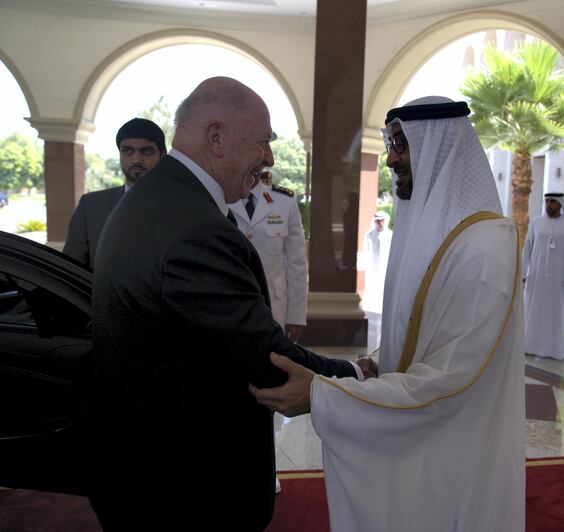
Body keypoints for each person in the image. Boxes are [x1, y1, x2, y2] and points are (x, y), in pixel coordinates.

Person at [87, 77, 360, 532]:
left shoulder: (155, 199)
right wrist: (356, 376)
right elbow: (271, 362)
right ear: (216, 137)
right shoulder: (194, 227)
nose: (270, 158)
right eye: (264, 142)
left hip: (145, 470)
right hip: (184, 491)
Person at [250, 96, 525, 532]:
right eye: (391, 143)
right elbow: (420, 328)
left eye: (401, 144)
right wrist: (373, 365)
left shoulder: (485, 245)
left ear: (440, 149)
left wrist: (326, 397)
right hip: (418, 433)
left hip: (456, 447)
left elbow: (451, 379)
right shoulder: (431, 231)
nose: (392, 157)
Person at [62, 118, 166, 269]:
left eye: (146, 151)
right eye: (128, 151)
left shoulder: (182, 207)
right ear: (120, 154)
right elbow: (71, 271)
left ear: (162, 155)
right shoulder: (90, 207)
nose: (136, 159)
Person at [230, 170, 308, 341]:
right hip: (231, 307)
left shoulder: (284, 201)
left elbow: (297, 263)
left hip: (274, 308)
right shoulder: (222, 198)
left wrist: (295, 315)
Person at [521, 191, 564, 359]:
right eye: (547, 201)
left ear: (560, 204)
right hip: (536, 277)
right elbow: (527, 250)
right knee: (533, 309)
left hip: (558, 279)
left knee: (555, 312)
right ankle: (529, 346)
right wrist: (524, 272)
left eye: (553, 202)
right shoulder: (536, 223)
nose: (549, 205)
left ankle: (553, 350)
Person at [358, 210, 392, 314]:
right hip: (372, 266)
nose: (380, 223)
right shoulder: (369, 235)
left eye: (382, 221)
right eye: (377, 221)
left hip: (386, 266)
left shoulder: (391, 235)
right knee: (372, 286)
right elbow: (366, 250)